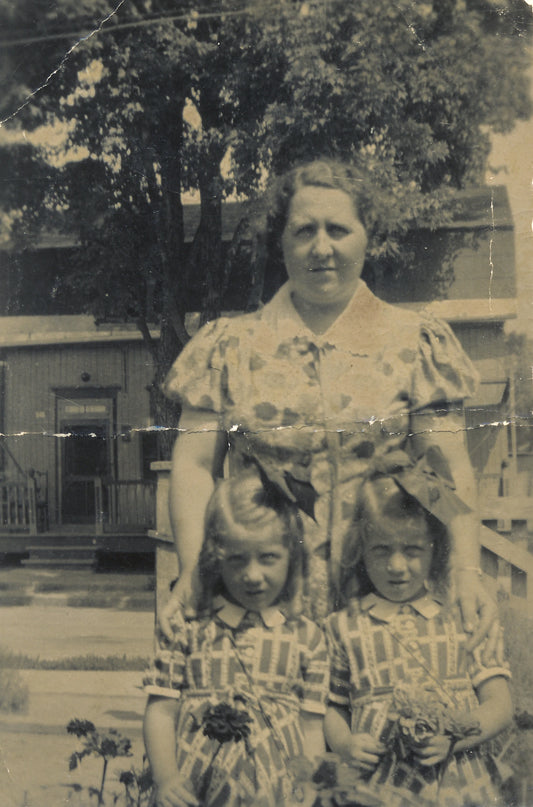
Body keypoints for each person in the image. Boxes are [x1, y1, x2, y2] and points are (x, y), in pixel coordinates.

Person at [161, 157, 493, 643]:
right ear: (281, 241)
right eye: (303, 231)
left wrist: (466, 568)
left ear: (367, 236)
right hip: (261, 607)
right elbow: (192, 466)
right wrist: (192, 568)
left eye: (338, 229)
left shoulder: (416, 343)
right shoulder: (228, 346)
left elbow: (444, 469)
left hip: (385, 607)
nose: (322, 248)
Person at [324, 456, 513, 807]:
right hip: (377, 789)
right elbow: (333, 707)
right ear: (361, 550)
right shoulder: (345, 626)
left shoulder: (462, 617)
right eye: (381, 550)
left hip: (457, 784)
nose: (397, 566)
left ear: (435, 549)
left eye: (412, 550)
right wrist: (346, 743)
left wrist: (455, 737)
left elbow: (500, 706)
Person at [143, 470, 329, 807]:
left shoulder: (308, 638)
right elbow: (161, 712)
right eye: (237, 559)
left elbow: (312, 727)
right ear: (216, 559)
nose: (253, 576)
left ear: (292, 557)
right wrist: (166, 778)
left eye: (268, 558)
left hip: (276, 792)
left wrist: (310, 785)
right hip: (196, 790)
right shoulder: (189, 628)